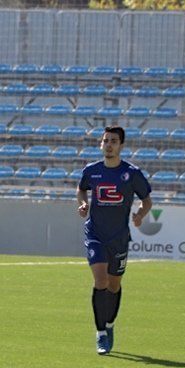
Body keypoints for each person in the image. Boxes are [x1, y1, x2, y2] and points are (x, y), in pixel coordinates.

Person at [76, 126, 152, 355]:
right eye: (105, 140)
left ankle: (109, 325)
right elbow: (81, 189)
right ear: (101, 144)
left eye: (114, 141)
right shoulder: (92, 171)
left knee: (113, 285)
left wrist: (139, 214)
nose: (109, 144)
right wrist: (83, 203)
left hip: (118, 237)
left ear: (121, 146)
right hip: (95, 234)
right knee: (100, 281)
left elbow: (147, 200)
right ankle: (100, 333)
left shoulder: (132, 173)